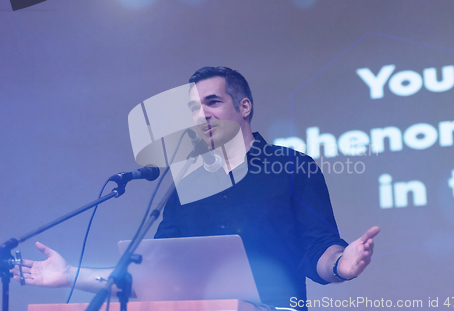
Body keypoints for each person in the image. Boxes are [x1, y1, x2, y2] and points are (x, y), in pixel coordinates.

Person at [13, 67, 379, 310]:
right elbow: (150, 276)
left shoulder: (292, 166)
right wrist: (70, 275)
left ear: (245, 106)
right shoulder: (186, 183)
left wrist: (341, 263)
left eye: (213, 102)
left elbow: (316, 247)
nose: (201, 114)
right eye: (193, 108)